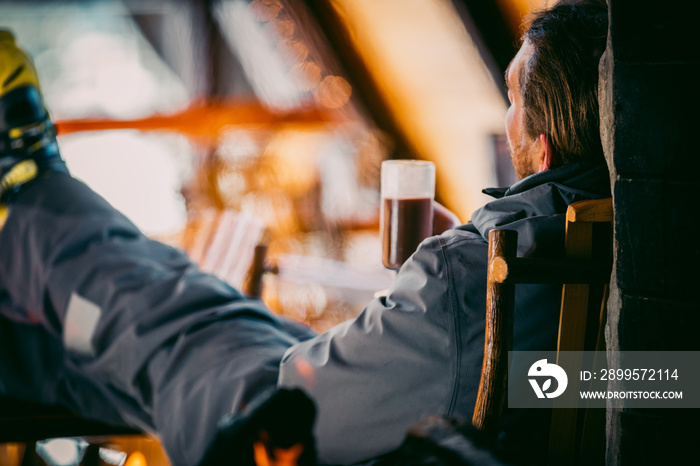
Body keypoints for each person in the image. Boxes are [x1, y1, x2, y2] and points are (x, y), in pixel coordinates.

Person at [0, 1, 610, 465]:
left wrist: (442, 281)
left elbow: (312, 407)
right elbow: (648, 383)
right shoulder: (626, 276)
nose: (504, 118)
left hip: (267, 422)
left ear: (543, 146)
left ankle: (28, 188)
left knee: (159, 310)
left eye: (510, 99)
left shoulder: (474, 271)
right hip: (335, 388)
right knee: (141, 341)